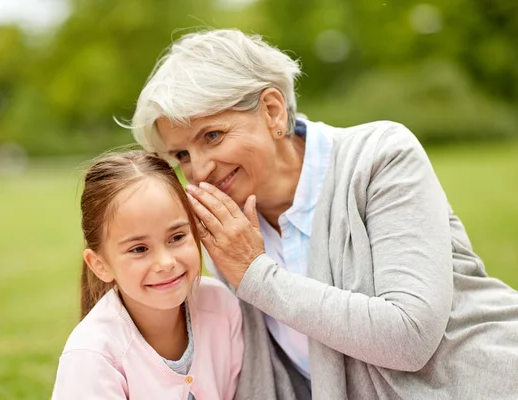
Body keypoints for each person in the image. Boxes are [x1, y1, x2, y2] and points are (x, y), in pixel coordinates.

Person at [128, 29, 518, 399]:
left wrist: (255, 274)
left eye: (212, 136)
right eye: (181, 155)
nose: (200, 171)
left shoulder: (380, 157)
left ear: (272, 111)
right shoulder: (223, 228)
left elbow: (410, 337)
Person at [52, 151, 243, 399]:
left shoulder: (221, 306)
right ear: (100, 265)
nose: (166, 262)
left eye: (177, 237)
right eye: (139, 249)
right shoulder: (94, 353)